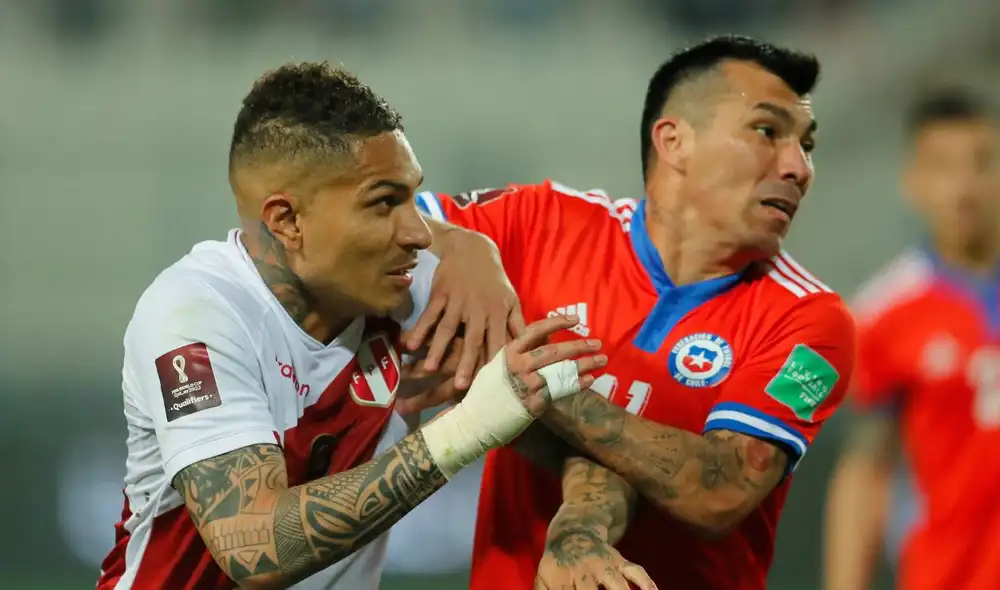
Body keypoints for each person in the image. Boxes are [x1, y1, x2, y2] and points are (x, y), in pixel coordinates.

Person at [95, 62, 606, 590]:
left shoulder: (422, 288)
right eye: (385, 202)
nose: (419, 232)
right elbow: (254, 547)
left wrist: (581, 530)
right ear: (287, 221)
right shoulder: (193, 316)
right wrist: (466, 429)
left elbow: (590, 441)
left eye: (413, 196)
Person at [414, 35, 856, 590]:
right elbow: (377, 224)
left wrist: (527, 380)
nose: (799, 167)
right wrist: (459, 244)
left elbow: (718, 489)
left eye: (806, 144)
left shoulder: (811, 320)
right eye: (768, 132)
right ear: (674, 141)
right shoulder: (541, 223)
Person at [823, 91, 1000, 590]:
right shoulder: (884, 313)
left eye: (982, 163)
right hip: (944, 576)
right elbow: (864, 470)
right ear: (913, 182)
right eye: (943, 167)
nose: (964, 186)